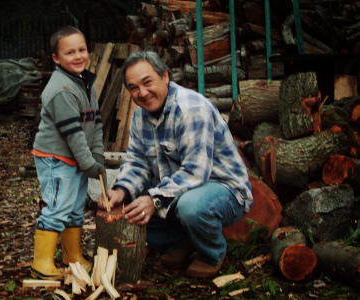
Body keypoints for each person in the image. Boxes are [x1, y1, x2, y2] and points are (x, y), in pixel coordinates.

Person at [98, 51, 253, 278]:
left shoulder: (191, 109)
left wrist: (153, 199)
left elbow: (195, 172)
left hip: (224, 189)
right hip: (179, 189)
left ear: (165, 76)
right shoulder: (140, 116)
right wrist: (121, 190)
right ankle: (178, 243)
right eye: (133, 88)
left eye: (147, 82)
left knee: (191, 206)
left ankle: (212, 255)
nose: (142, 92)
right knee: (127, 203)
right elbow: (137, 163)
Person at [30, 26, 104, 280]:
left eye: (81, 50)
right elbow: (72, 134)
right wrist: (89, 163)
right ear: (56, 58)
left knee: (74, 208)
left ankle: (72, 257)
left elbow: (95, 124)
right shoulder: (61, 89)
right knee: (57, 207)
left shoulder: (85, 82)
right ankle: (41, 262)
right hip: (57, 158)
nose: (78, 56)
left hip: (76, 158)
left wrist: (98, 157)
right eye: (69, 52)